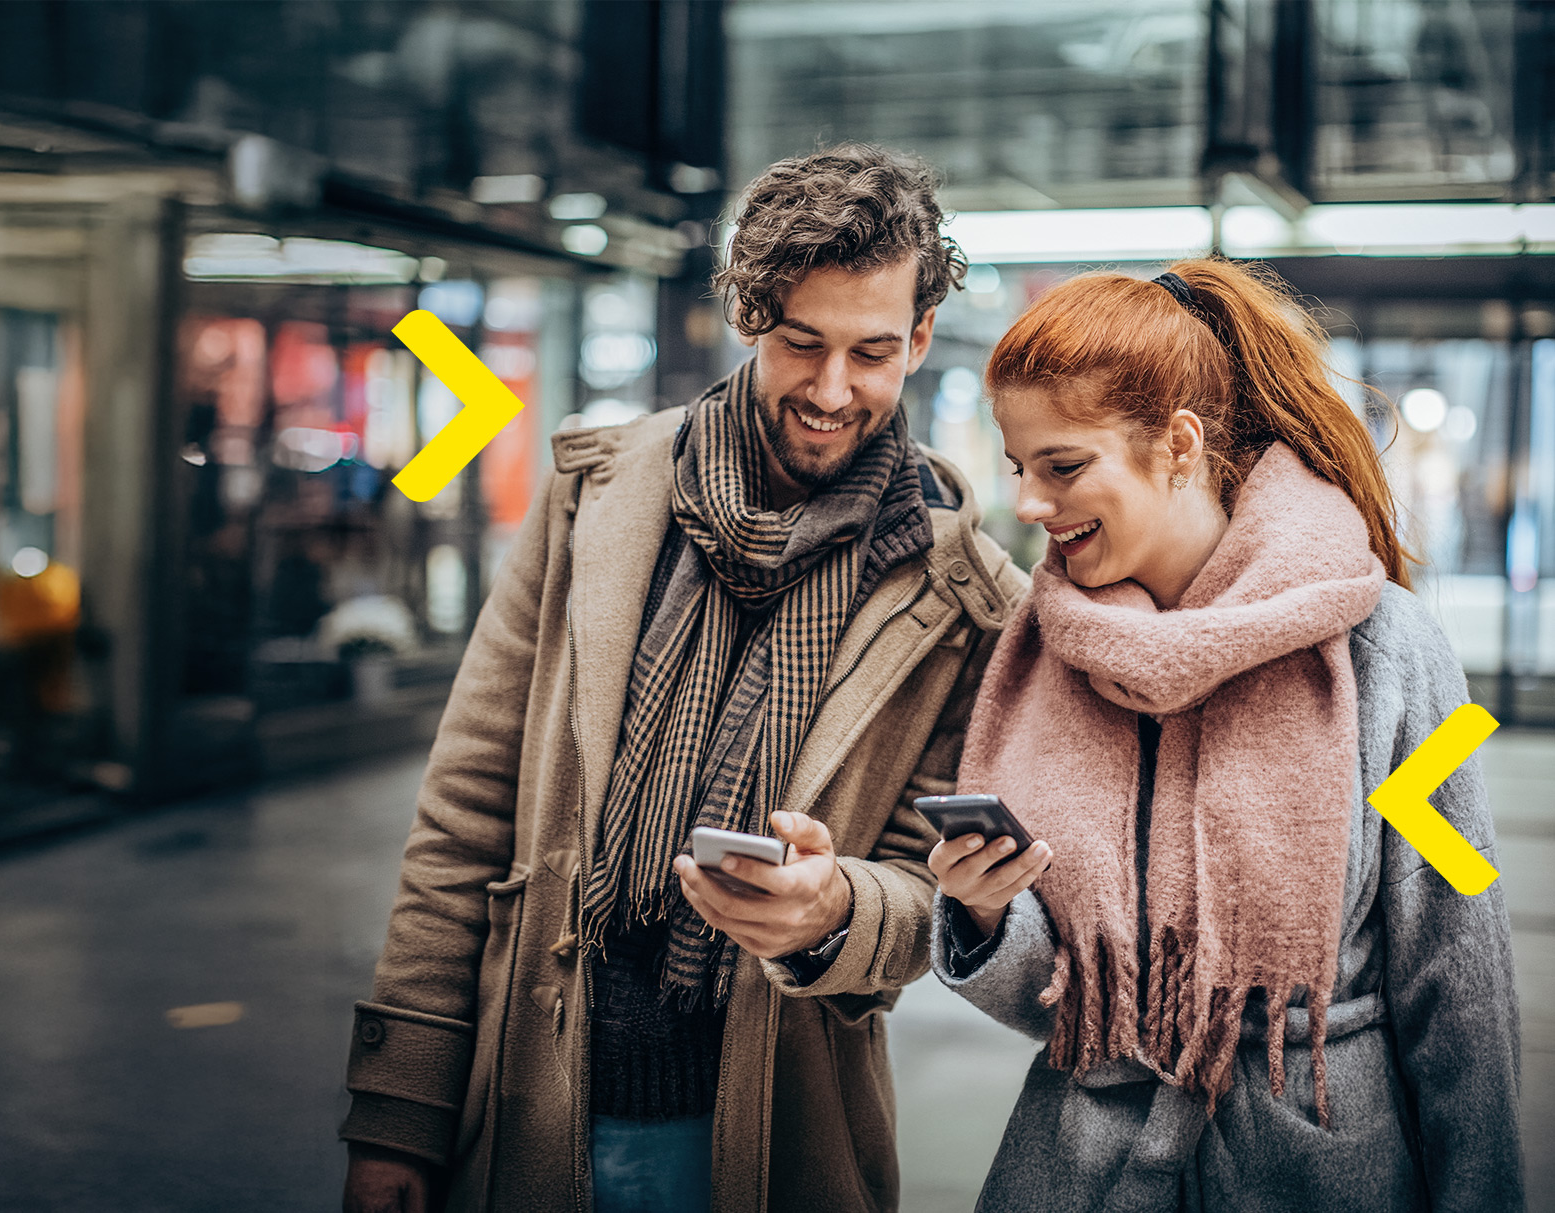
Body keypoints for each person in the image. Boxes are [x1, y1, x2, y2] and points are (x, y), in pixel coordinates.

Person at [340, 144, 1029, 1213]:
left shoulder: (962, 596)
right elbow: (467, 812)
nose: (833, 390)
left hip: (774, 1125)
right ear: (750, 317)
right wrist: (400, 1108)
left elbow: (933, 892)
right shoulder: (597, 500)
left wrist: (833, 908)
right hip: (533, 1095)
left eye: (873, 352)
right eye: (802, 344)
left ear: (921, 338)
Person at [930, 258, 1525, 1210]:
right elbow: (1067, 1004)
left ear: (1177, 442)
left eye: (1063, 465)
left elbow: (1460, 956)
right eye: (1020, 469)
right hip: (1082, 1172)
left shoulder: (1397, 648)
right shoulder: (1043, 659)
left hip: (1321, 1170)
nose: (1032, 505)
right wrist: (988, 918)